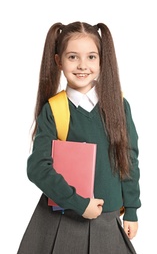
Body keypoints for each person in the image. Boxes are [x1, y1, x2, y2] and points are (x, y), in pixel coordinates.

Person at [17, 21, 141, 254]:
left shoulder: (118, 106)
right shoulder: (54, 109)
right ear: (58, 61)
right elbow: (37, 167)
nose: (83, 65)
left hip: (108, 221)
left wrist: (132, 210)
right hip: (61, 222)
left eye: (91, 57)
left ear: (102, 60)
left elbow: (129, 159)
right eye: (73, 57)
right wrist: (80, 204)